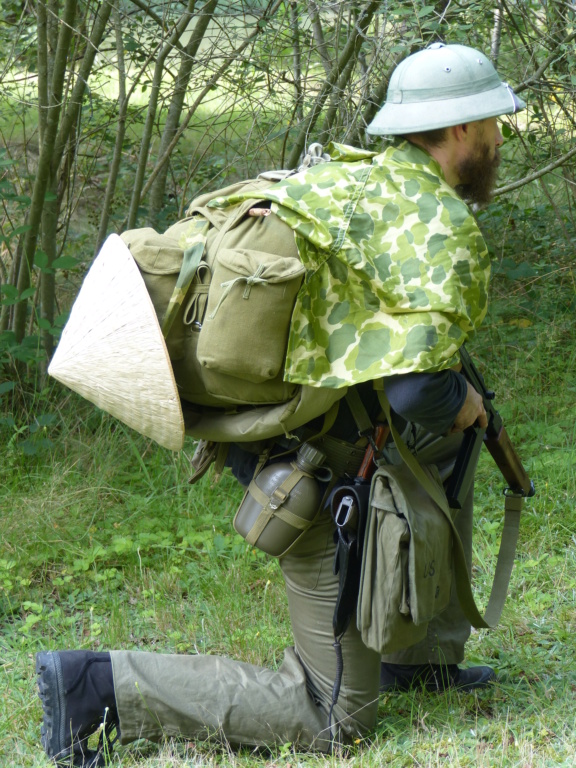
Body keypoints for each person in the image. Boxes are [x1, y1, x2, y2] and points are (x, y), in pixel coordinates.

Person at [36, 42, 526, 767]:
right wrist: (461, 405)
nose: (499, 138)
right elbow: (417, 389)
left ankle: (419, 660)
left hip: (280, 436)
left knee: (450, 437)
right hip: (313, 475)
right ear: (458, 131)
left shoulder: (357, 179)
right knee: (334, 719)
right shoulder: (439, 227)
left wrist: (459, 409)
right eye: (492, 123)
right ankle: (98, 686)